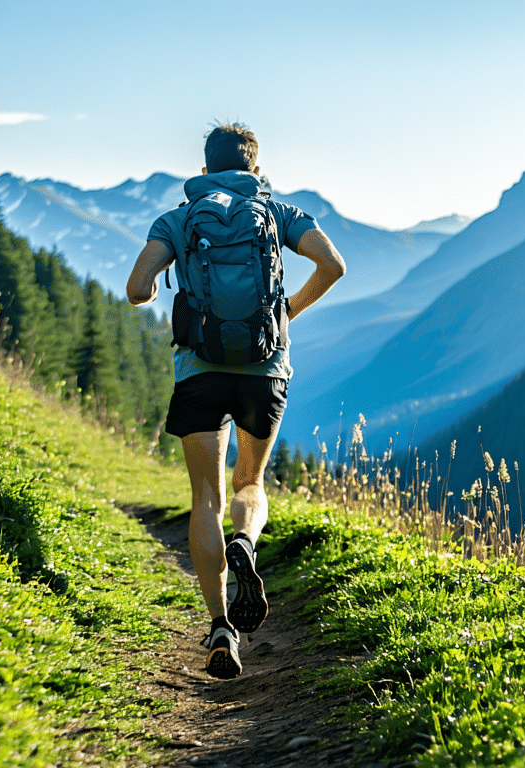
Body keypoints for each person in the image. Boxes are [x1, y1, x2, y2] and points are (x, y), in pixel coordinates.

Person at [126, 124, 346, 678]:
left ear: (205, 170)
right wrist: (288, 311)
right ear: (254, 167)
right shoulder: (279, 213)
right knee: (250, 483)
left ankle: (221, 627)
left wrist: (158, 290)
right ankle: (246, 542)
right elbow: (334, 266)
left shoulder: (177, 218)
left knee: (206, 497)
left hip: (200, 370)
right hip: (263, 368)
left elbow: (136, 289)